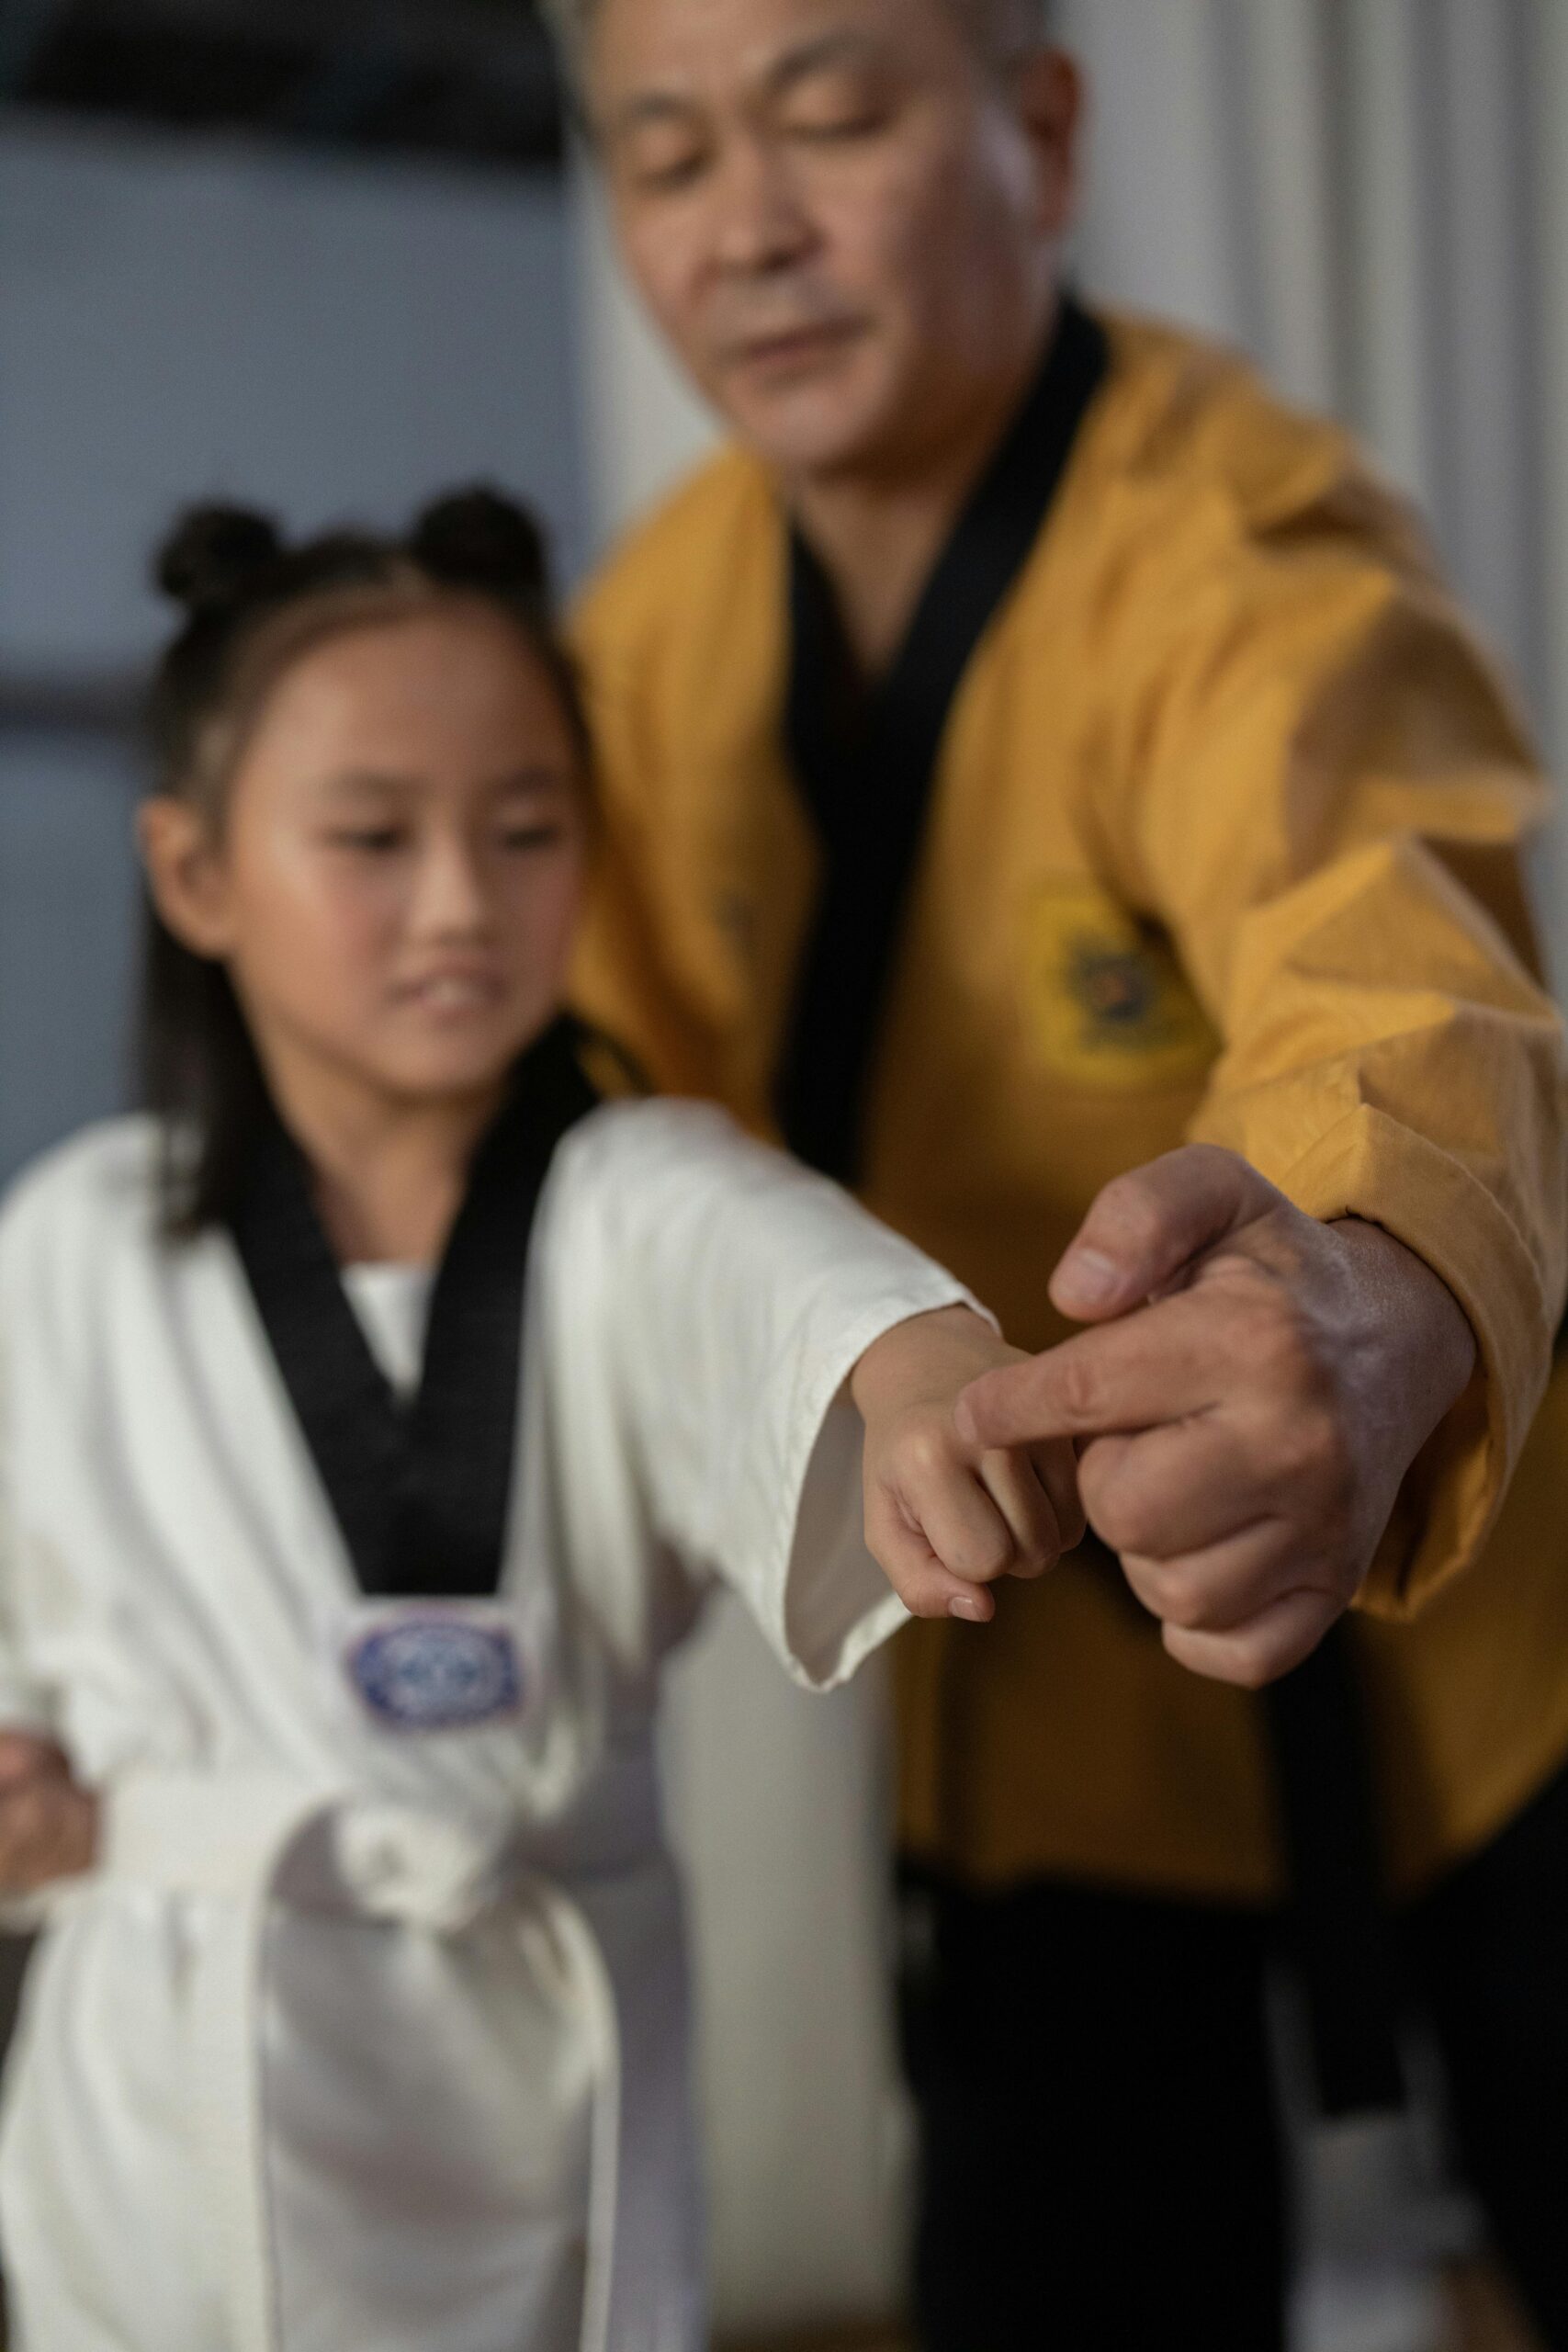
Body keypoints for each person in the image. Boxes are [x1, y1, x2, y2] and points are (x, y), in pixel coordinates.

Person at [548, 0, 1568, 2342]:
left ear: (1041, 123)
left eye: (831, 116)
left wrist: (1369, 1277)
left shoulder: (1231, 537)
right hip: (1035, 1728)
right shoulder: (652, 643)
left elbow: (1387, 938)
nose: (747, 229)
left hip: (1476, 1671)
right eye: (668, 152)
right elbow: (593, 1154)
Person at [0, 489, 1078, 2352]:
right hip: (168, 2093)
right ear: (194, 875)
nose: (459, 902)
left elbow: (789, 1288)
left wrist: (924, 1380)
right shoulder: (69, 1243)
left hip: (539, 2087)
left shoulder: (630, 1196)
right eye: (371, 835)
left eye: (524, 830)